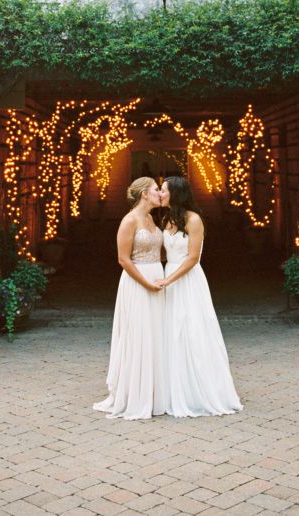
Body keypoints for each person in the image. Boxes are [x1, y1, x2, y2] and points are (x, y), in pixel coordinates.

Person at [158, 175, 242, 417]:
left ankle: (198, 390)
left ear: (175, 193)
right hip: (169, 275)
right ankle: (175, 387)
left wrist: (169, 279)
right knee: (171, 331)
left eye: (163, 190)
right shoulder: (167, 218)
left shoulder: (194, 220)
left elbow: (193, 258)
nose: (160, 193)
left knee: (192, 330)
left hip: (187, 279)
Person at [93, 177, 166, 420]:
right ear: (144, 193)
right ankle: (135, 392)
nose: (160, 193)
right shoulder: (129, 220)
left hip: (157, 276)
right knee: (138, 334)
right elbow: (123, 259)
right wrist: (146, 283)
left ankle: (155, 390)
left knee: (155, 334)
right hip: (137, 282)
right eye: (156, 189)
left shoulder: (151, 219)